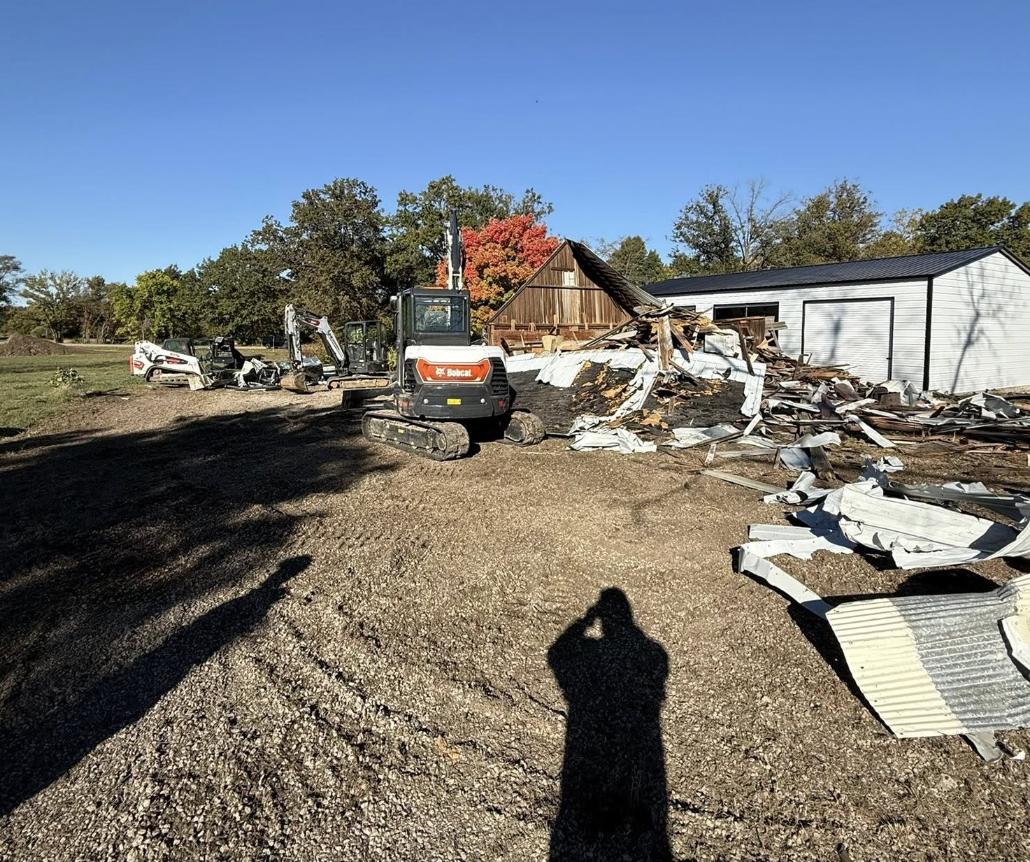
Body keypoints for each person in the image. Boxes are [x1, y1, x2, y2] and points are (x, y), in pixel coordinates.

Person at [547, 588, 672, 861]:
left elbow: (557, 653)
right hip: (641, 739)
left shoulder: (605, 651)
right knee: (637, 786)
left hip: (587, 741)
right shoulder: (655, 653)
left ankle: (603, 829)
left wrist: (585, 620)